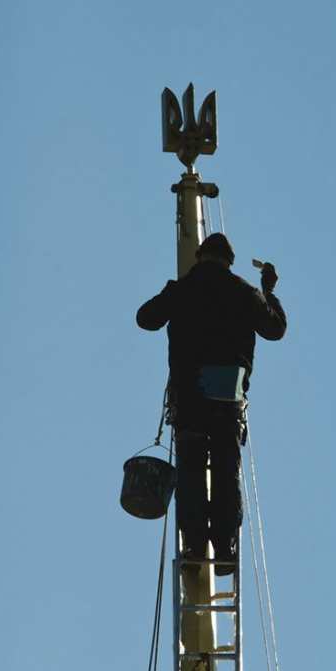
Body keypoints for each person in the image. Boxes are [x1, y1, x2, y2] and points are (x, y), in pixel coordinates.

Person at [136, 233, 286, 572]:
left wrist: (171, 291)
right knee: (224, 469)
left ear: (200, 256)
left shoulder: (183, 290)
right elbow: (275, 329)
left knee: (190, 471)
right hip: (226, 398)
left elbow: (146, 318)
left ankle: (194, 546)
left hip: (190, 397)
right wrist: (269, 292)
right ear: (229, 261)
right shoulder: (244, 292)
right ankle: (224, 547)